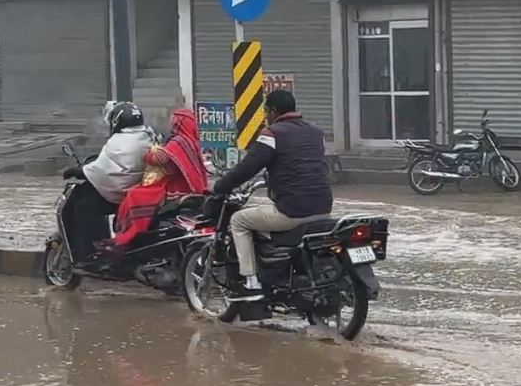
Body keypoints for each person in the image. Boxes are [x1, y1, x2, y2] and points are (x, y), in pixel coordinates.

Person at [207, 89, 333, 322]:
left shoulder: (272, 133)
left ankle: (251, 282)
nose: (266, 116)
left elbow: (247, 168)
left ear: (273, 111)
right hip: (323, 207)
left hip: (293, 209)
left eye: (266, 111)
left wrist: (220, 186)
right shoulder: (315, 133)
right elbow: (302, 165)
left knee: (239, 220)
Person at [103, 108, 210, 256]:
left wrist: (147, 153)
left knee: (135, 195)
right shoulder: (191, 142)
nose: (172, 125)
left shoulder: (178, 142)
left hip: (176, 188)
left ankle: (128, 237)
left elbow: (159, 159)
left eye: (174, 122)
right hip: (189, 188)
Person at [62, 102, 155, 262]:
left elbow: (101, 170)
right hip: (136, 192)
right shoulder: (148, 136)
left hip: (119, 195)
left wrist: (77, 171)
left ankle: (87, 254)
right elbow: (113, 168)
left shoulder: (119, 141)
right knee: (86, 198)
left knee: (82, 206)